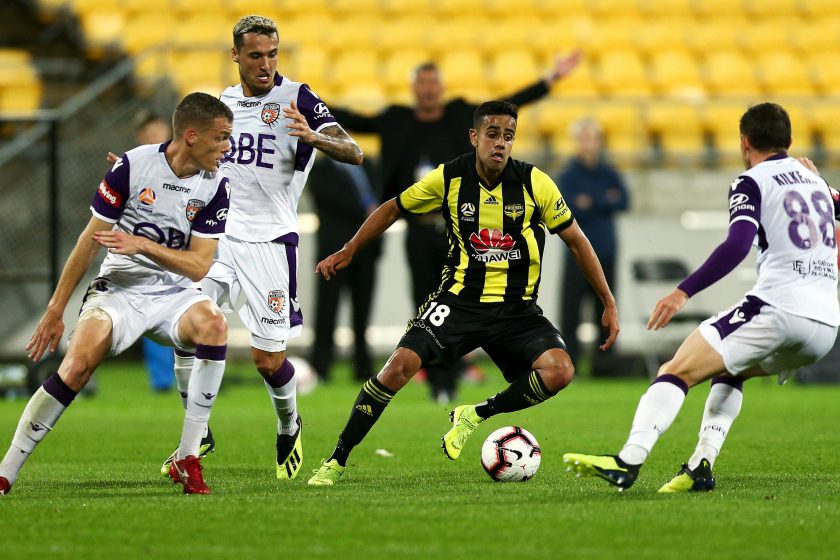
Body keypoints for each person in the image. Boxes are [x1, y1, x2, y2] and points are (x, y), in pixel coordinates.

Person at [307, 100, 619, 486]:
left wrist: (607, 301)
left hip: (516, 310)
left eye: (508, 136)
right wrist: (349, 248)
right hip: (457, 301)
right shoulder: (449, 178)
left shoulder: (535, 183)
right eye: (492, 134)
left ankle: (475, 414)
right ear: (475, 137)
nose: (500, 144)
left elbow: (576, 240)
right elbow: (393, 207)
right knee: (397, 367)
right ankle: (336, 460)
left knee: (561, 371)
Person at [564, 103, 840, 493]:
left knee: (675, 370)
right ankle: (701, 465)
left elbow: (737, 244)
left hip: (779, 309)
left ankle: (629, 459)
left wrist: (682, 291)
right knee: (733, 368)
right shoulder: (819, 185)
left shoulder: (752, 180)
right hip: (825, 327)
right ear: (790, 140)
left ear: (744, 143)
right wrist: (823, 186)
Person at [158, 15, 363, 481]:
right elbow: (194, 161)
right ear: (236, 56)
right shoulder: (222, 103)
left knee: (267, 360)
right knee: (186, 326)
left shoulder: (298, 98)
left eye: (272, 54)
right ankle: (197, 432)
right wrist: (146, 169)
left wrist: (312, 136)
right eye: (255, 55)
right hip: (219, 238)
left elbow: (355, 152)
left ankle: (289, 422)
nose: (265, 64)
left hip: (270, 243)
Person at [0, 92, 234, 496]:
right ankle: (6, 471)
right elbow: (88, 242)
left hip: (174, 292)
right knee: (75, 368)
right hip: (120, 289)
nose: (227, 147)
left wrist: (144, 245)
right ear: (192, 136)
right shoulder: (133, 166)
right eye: (221, 138)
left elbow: (199, 266)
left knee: (214, 324)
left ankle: (188, 456)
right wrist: (56, 310)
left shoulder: (216, 185)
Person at [330, 52, 581, 401]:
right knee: (425, 306)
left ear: (441, 88)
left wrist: (550, 80)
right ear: (414, 88)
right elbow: (355, 120)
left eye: (434, 84)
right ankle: (436, 384)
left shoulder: (461, 115)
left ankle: (451, 380)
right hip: (418, 230)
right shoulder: (397, 120)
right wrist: (310, 104)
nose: (429, 90)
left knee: (464, 304)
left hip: (460, 232)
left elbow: (510, 105)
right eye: (422, 83)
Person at [556, 117, 629, 370]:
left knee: (606, 308)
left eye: (592, 138)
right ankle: (570, 363)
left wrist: (591, 201)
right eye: (583, 138)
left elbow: (624, 200)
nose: (588, 144)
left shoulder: (610, 172)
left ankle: (605, 364)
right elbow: (568, 207)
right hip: (576, 253)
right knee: (571, 312)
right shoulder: (568, 174)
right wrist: (604, 200)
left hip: (605, 251)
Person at [307, 155, 380, 382]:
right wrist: (368, 210)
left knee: (363, 312)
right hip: (333, 252)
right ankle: (321, 366)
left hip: (366, 252)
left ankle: (362, 367)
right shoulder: (319, 170)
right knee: (327, 310)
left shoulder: (367, 164)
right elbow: (332, 200)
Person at [133, 110, 178, 393]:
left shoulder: (185, 167)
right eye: (149, 134)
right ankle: (162, 380)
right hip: (145, 253)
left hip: (180, 251)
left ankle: (199, 374)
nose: (154, 138)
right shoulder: (132, 168)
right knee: (151, 316)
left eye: (158, 132)